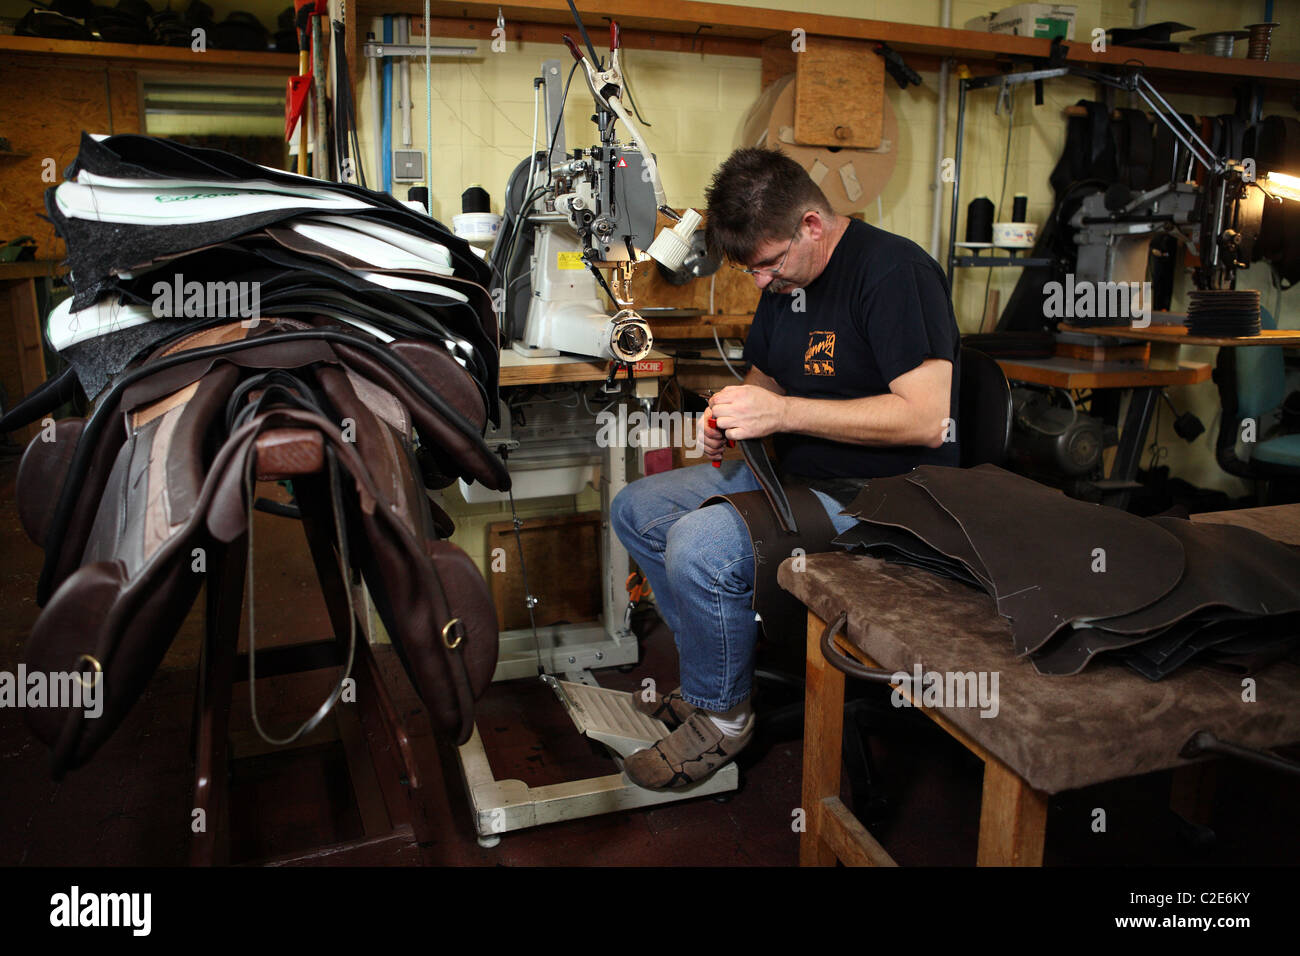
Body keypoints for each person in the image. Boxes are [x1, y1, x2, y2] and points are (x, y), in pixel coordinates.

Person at [611, 147, 961, 790]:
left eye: (768, 265)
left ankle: (724, 720)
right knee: (637, 509)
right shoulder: (784, 281)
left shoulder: (894, 273)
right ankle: (714, 681)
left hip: (886, 498)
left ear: (811, 225)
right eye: (750, 270)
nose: (761, 283)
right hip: (793, 478)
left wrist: (783, 415)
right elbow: (767, 377)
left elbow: (925, 419)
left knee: (699, 545)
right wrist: (734, 415)